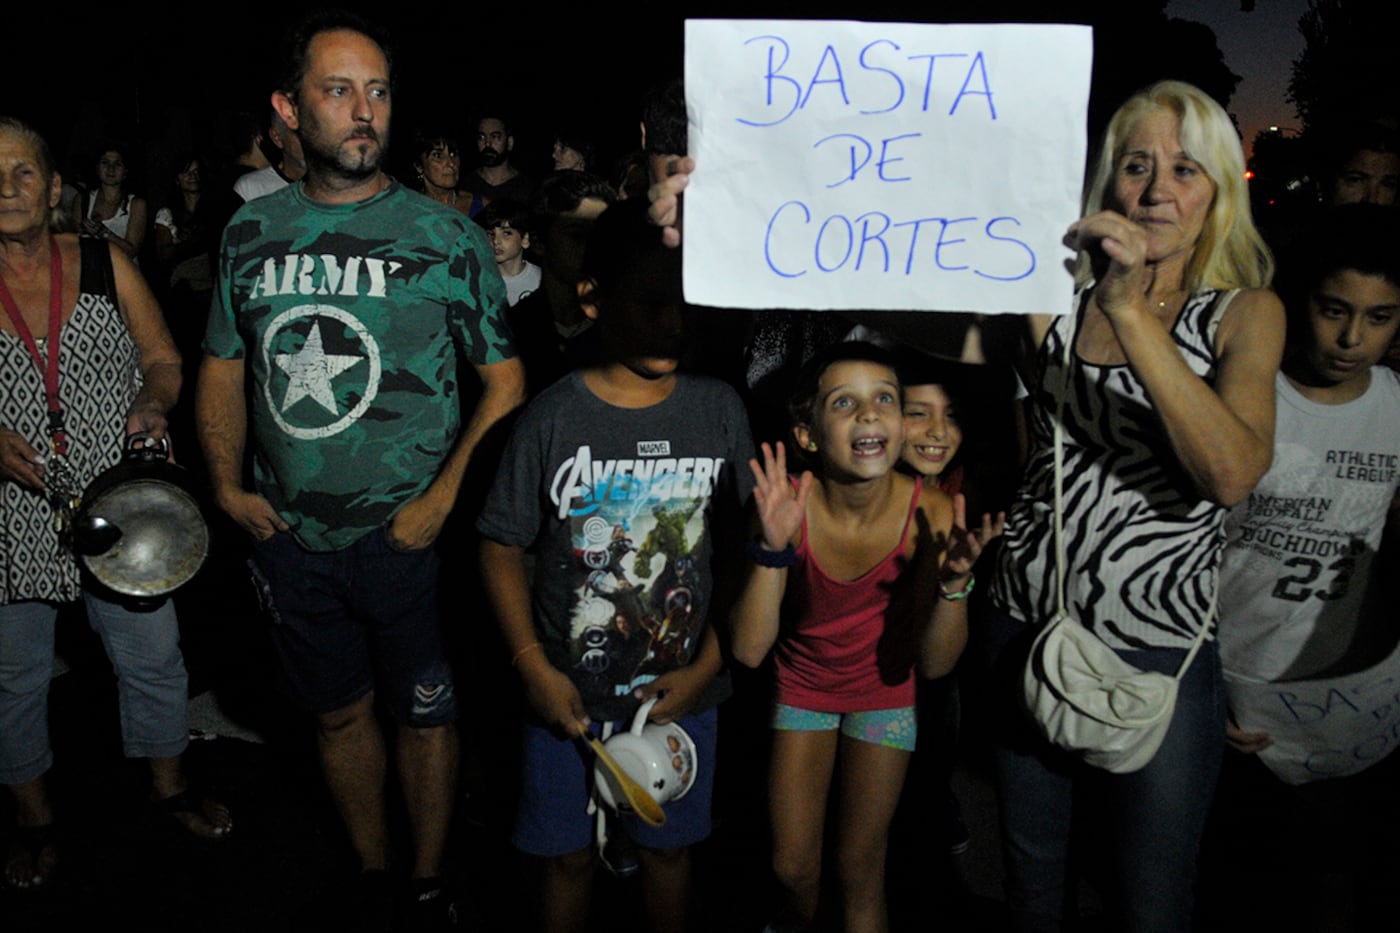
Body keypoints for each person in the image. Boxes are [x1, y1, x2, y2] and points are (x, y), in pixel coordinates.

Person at [196, 12, 525, 924]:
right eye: (338, 90)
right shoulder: (250, 233)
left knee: (427, 712)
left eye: (377, 90)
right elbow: (223, 362)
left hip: (408, 540)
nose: (363, 111)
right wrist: (226, 487)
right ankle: (375, 876)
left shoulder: (444, 236)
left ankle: (426, 880)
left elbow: (507, 382)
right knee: (338, 715)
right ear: (288, 109)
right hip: (288, 539)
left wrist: (441, 502)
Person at [986, 80, 1285, 932]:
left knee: (1151, 901)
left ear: (1219, 191)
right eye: (1136, 165)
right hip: (1024, 628)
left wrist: (1127, 306)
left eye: (1186, 169)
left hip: (1160, 651)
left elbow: (1229, 472)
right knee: (1031, 878)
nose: (1158, 190)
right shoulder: (1045, 297)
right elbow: (887, 281)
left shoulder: (1243, 316)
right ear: (1103, 185)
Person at [477, 201, 754, 933]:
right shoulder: (552, 417)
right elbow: (500, 544)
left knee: (667, 852)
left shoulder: (720, 409)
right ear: (592, 297)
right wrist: (533, 666)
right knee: (565, 857)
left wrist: (706, 669)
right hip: (566, 702)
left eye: (685, 300)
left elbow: (741, 557)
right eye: (651, 301)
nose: (672, 323)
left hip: (681, 699)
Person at [1, 116, 230, 891]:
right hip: (11, 510)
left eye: (23, 172)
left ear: (55, 187)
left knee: (154, 658)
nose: (7, 187)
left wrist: (154, 405)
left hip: (120, 500)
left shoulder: (103, 261)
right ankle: (33, 820)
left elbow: (164, 357)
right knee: (13, 674)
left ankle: (169, 792)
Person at [730, 342, 998, 932]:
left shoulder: (930, 510)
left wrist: (955, 584)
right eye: (844, 402)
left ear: (901, 425)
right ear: (807, 435)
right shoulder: (785, 504)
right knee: (791, 867)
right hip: (802, 690)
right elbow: (748, 650)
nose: (869, 414)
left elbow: (933, 666)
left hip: (886, 693)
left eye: (884, 399)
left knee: (860, 868)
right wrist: (772, 550)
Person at [1209, 204, 1400, 930]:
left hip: (1351, 712)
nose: (1353, 338)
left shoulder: (1394, 407)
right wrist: (1201, 688)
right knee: (1235, 888)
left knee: (1331, 886)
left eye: (1380, 317)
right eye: (1334, 311)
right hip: (1237, 702)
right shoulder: (1249, 399)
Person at [70, 143, 147, 261]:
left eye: (118, 164)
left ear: (125, 171)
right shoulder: (82, 200)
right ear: (97, 168)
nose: (111, 169)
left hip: (123, 275)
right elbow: (72, 244)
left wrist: (105, 234)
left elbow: (132, 251)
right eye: (105, 162)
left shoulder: (136, 204)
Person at [475, 198, 537, 306]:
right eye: (490, 234)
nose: (496, 241)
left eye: (506, 233)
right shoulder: (479, 280)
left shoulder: (540, 278)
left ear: (525, 240)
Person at [464, 114, 534, 205]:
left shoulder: (526, 189)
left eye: (495, 137)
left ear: (509, 142)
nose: (487, 143)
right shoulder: (467, 185)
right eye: (481, 137)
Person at [412, 131, 480, 217]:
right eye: (438, 156)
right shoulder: (410, 210)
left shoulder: (480, 207)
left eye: (453, 154)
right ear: (419, 166)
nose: (451, 163)